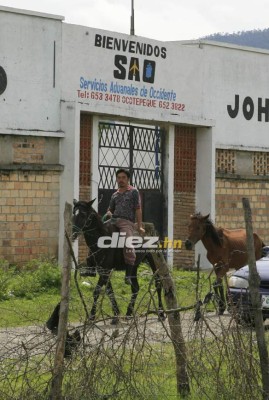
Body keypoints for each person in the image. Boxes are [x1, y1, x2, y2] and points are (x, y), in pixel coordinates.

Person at [106, 168, 145, 284]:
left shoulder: (133, 192)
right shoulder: (114, 194)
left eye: (123, 178)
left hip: (126, 223)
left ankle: (128, 274)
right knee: (98, 234)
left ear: (128, 179)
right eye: (119, 178)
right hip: (113, 221)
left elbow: (138, 209)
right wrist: (108, 213)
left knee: (128, 245)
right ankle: (91, 265)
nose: (121, 180)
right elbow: (110, 209)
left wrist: (139, 226)